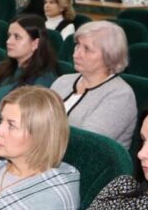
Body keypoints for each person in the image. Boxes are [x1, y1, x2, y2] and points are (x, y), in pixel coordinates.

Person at [51, 21, 137, 149]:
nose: (76, 54)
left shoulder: (120, 95)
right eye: (77, 45)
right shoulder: (63, 81)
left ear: (109, 56)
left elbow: (87, 143)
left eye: (87, 49)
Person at [0, 15, 58, 103]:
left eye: (17, 37)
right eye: (9, 36)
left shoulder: (43, 80)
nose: (8, 41)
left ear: (35, 44)